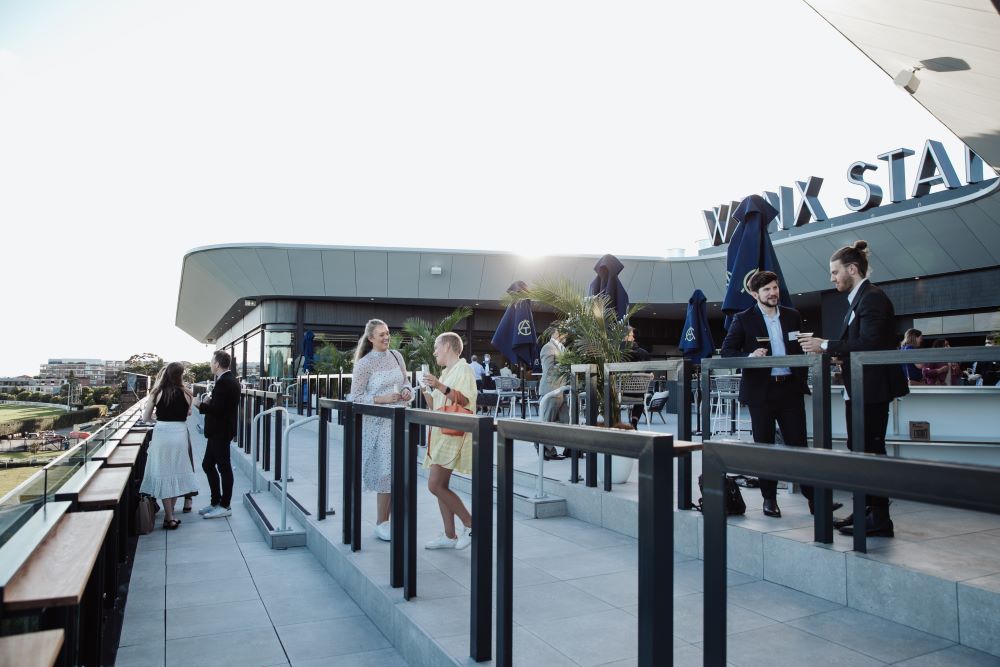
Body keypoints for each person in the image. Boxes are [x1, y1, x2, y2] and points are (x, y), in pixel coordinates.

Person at [800, 240, 909, 537]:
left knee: (871, 451)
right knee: (859, 449)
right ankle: (867, 509)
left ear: (852, 269)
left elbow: (871, 344)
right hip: (859, 387)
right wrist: (832, 349)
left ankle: (880, 517)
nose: (832, 278)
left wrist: (825, 345)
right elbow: (859, 344)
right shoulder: (859, 300)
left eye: (835, 272)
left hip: (871, 387)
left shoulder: (872, 298)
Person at [721, 271, 834, 518]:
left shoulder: (793, 316)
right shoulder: (743, 319)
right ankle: (769, 499)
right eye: (767, 290)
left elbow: (797, 346)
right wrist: (750, 357)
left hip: (790, 388)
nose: (773, 293)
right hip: (761, 392)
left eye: (775, 288)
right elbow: (727, 351)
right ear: (755, 294)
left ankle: (815, 498)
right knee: (765, 446)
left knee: (799, 446)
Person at [350, 319, 412, 541]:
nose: (386, 337)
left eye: (387, 333)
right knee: (386, 473)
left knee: (400, 472)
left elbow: (406, 381)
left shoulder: (397, 356)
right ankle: (381, 522)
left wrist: (406, 391)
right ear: (370, 339)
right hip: (378, 426)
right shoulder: (364, 364)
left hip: (400, 421)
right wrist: (381, 399)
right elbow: (355, 398)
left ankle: (397, 520)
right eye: (381, 335)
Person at [420, 332, 477, 550]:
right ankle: (449, 534)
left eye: (436, 346)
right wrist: (427, 389)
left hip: (452, 434)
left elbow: (465, 400)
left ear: (447, 346)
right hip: (440, 433)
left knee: (435, 485)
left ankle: (471, 524)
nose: (434, 351)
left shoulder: (464, 369)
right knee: (440, 485)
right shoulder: (446, 373)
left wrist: (439, 385)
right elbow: (435, 405)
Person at [140, 362, 199, 529]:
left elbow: (145, 418)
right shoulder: (188, 392)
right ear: (181, 375)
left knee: (164, 472)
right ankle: (170, 514)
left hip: (162, 433)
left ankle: (170, 516)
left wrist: (157, 419)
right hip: (180, 433)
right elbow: (187, 412)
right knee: (176, 473)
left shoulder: (157, 392)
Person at [193, 350, 241, 519]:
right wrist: (208, 401)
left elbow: (218, 410)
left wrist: (198, 404)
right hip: (217, 431)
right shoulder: (226, 380)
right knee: (207, 465)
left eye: (212, 361)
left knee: (224, 468)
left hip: (220, 431)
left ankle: (225, 505)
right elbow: (220, 405)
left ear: (218, 364)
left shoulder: (226, 382)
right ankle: (216, 502)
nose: (210, 364)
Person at [537, 330, 568, 459]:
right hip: (551, 389)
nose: (567, 335)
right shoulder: (547, 347)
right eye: (564, 332)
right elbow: (548, 369)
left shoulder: (562, 348)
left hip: (562, 389)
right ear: (556, 332)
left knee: (566, 421)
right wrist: (565, 366)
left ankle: (567, 448)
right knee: (548, 421)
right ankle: (546, 450)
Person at [624, 326, 651, 428]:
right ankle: (634, 422)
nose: (634, 338)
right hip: (637, 393)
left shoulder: (616, 353)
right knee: (641, 395)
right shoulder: (644, 353)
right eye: (631, 336)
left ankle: (614, 422)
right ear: (625, 337)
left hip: (619, 393)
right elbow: (650, 373)